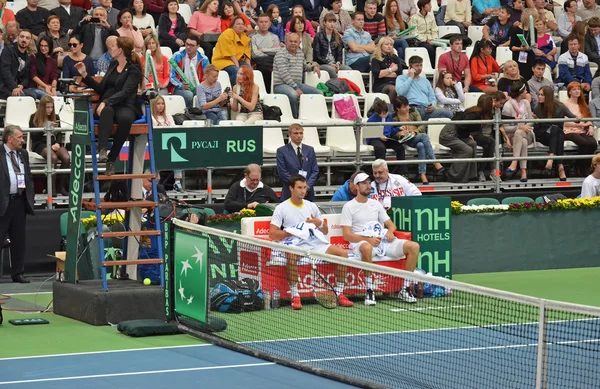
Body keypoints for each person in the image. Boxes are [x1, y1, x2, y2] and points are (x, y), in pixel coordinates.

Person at [269, 174, 354, 310]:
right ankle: (295, 296)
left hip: (315, 242)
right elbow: (272, 233)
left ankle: (339, 293)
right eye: (299, 188)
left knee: (343, 254)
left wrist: (318, 223)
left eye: (305, 188)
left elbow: (325, 231)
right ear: (291, 188)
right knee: (291, 256)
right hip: (295, 243)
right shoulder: (281, 208)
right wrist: (292, 231)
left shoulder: (311, 206)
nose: (303, 191)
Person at [341, 172, 420, 305]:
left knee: (414, 246)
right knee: (366, 247)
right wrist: (367, 240)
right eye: (364, 183)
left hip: (382, 242)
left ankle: (405, 288)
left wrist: (390, 232)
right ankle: (369, 290)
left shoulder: (376, 204)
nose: (368, 186)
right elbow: (347, 235)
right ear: (357, 187)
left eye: (368, 183)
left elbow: (391, 225)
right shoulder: (349, 207)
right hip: (360, 244)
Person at [74, 36, 142, 176]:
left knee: (125, 119)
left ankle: (111, 159)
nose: (111, 48)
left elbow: (126, 92)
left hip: (125, 105)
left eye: (114, 46)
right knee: (107, 111)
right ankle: (103, 149)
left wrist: (106, 101)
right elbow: (101, 88)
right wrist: (85, 75)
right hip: (109, 105)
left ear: (121, 50)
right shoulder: (112, 64)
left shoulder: (133, 69)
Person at [0, 125, 35, 284]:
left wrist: (30, 195)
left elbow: (28, 176)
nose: (22, 140)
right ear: (10, 138)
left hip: (20, 202)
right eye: (20, 137)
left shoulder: (23, 154)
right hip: (3, 202)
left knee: (19, 240)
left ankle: (18, 273)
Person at [393, 97, 445, 184]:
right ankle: (435, 162)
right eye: (404, 107)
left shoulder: (413, 111)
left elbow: (422, 125)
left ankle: (423, 174)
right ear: (398, 108)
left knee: (421, 145)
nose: (408, 108)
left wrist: (415, 132)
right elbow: (392, 133)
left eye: (408, 105)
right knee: (424, 136)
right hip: (405, 141)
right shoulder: (394, 118)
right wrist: (400, 134)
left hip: (416, 137)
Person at [272, 33, 322, 119]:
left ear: (299, 43)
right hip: (281, 85)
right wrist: (296, 88)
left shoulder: (300, 53)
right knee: (293, 95)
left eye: (295, 41)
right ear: (286, 42)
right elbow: (284, 74)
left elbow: (304, 67)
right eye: (290, 41)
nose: (293, 43)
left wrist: (313, 67)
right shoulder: (280, 54)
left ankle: (311, 118)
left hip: (297, 84)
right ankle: (294, 119)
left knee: (319, 94)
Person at [533, 86, 576, 181]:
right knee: (556, 131)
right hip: (543, 135)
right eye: (538, 94)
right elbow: (540, 126)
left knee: (556, 131)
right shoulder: (537, 107)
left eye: (542, 95)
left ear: (548, 96)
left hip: (556, 135)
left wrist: (586, 122)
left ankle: (552, 159)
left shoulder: (560, 107)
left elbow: (573, 117)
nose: (539, 97)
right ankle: (560, 167)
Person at [29, 95, 69, 196]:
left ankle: (61, 186)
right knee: (53, 157)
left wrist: (57, 144)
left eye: (51, 107)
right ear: (42, 107)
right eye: (47, 107)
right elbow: (34, 136)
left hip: (53, 142)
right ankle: (52, 188)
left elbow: (59, 133)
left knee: (66, 157)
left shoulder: (56, 117)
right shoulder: (34, 117)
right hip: (40, 144)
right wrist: (45, 127)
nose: (50, 110)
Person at [396, 56, 453, 120]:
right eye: (417, 66)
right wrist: (410, 78)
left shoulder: (425, 81)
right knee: (419, 113)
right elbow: (400, 92)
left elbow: (432, 97)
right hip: (412, 108)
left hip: (427, 109)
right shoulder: (401, 78)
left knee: (449, 114)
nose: (420, 68)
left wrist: (432, 106)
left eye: (421, 65)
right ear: (410, 67)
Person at [562, 82, 598, 176]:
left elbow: (589, 119)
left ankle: (582, 165)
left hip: (582, 130)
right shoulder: (564, 104)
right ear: (569, 92)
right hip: (569, 131)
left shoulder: (582, 104)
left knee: (593, 143)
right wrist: (581, 124)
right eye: (574, 89)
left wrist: (590, 127)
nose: (577, 91)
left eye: (578, 89)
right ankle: (581, 167)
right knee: (584, 143)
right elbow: (565, 122)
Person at [276, 124, 319, 201]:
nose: (299, 136)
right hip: (290, 192)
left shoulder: (310, 150)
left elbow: (315, 170)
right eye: (296, 133)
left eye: (301, 133)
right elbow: (282, 172)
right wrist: (297, 186)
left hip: (308, 193)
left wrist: (307, 186)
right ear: (289, 134)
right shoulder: (282, 151)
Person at [501, 81, 534, 182]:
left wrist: (525, 127)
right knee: (520, 137)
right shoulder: (508, 106)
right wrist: (519, 128)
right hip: (512, 136)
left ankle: (514, 162)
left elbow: (531, 121)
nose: (527, 92)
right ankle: (523, 171)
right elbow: (505, 127)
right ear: (520, 93)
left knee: (520, 134)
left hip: (528, 133)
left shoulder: (526, 103)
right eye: (525, 90)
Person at [365, 99, 406, 174]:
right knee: (381, 148)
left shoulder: (389, 117)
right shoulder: (371, 120)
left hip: (386, 138)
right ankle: (380, 171)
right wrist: (379, 136)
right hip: (375, 139)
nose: (385, 114)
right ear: (377, 113)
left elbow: (390, 130)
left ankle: (401, 172)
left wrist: (398, 129)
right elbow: (368, 135)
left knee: (400, 147)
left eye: (386, 112)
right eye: (383, 113)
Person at [169, 35, 209, 108]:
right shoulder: (177, 56)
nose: (188, 47)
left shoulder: (204, 59)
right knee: (189, 95)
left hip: (198, 87)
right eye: (187, 44)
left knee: (203, 94)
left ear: (198, 46)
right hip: (180, 87)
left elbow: (206, 77)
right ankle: (189, 113)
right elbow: (171, 76)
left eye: (192, 45)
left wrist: (200, 88)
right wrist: (181, 85)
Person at [0, 29, 36, 99]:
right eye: (22, 37)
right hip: (4, 86)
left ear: (30, 41)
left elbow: (26, 76)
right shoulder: (8, 50)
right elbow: (5, 71)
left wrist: (22, 85)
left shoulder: (28, 56)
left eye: (27, 38)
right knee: (22, 97)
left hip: (17, 87)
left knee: (33, 95)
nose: (24, 40)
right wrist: (14, 87)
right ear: (17, 38)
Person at [251, 13, 280, 93]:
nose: (264, 24)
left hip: (273, 62)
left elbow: (278, 51)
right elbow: (255, 54)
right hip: (260, 63)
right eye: (261, 22)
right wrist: (271, 51)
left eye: (266, 22)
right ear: (257, 23)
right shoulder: (253, 37)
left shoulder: (274, 37)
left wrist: (263, 50)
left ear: (270, 23)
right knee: (264, 67)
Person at [370, 36, 402, 102]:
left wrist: (383, 73)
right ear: (381, 46)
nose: (389, 46)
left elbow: (398, 73)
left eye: (391, 45)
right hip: (381, 84)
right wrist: (391, 70)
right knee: (392, 89)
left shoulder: (395, 58)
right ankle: (389, 110)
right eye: (386, 44)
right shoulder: (376, 59)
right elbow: (377, 74)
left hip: (394, 82)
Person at [409, 0, 437, 66]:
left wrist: (434, 39)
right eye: (429, 5)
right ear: (422, 7)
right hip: (420, 41)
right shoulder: (414, 18)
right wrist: (426, 40)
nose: (431, 6)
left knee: (441, 47)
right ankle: (432, 66)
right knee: (430, 48)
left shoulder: (431, 17)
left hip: (431, 39)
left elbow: (434, 30)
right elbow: (414, 33)